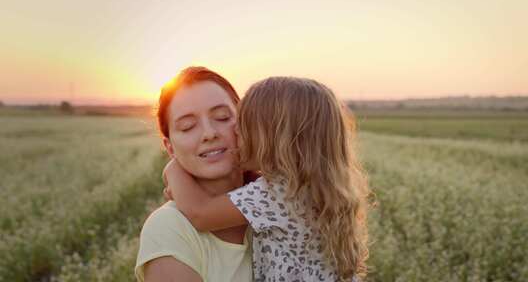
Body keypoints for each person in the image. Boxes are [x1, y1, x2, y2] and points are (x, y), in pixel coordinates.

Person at [164, 77, 370, 281]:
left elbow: (201, 214)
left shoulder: (278, 194)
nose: (236, 130)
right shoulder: (311, 187)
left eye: (244, 124)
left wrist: (173, 170)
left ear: (273, 139)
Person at [135, 66, 254, 282]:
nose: (209, 134)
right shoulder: (169, 228)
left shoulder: (281, 197)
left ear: (245, 122)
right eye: (188, 127)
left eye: (222, 117)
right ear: (169, 147)